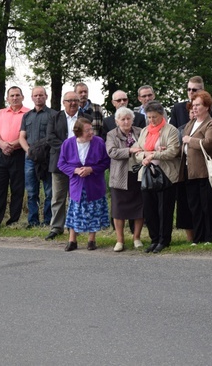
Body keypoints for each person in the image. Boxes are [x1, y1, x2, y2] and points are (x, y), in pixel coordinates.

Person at [181, 90, 212, 244]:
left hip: (209, 171)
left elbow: (209, 144)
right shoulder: (191, 123)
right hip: (192, 171)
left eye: (198, 105)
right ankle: (198, 238)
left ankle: (211, 237)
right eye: (193, 105)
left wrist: (190, 140)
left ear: (207, 107)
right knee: (195, 206)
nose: (194, 108)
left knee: (210, 205)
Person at [45, 92, 92, 240]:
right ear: (63, 102)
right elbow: (50, 138)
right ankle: (56, 227)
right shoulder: (54, 117)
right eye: (69, 100)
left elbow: (90, 137)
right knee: (58, 197)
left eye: (75, 100)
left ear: (79, 102)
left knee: (76, 197)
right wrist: (69, 149)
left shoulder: (86, 118)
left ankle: (75, 227)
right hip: (60, 163)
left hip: (80, 164)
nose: (72, 103)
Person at [135, 101, 180, 253]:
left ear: (162, 115)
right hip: (147, 174)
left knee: (164, 209)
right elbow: (137, 152)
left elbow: (172, 151)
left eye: (154, 117)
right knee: (149, 209)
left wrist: (153, 154)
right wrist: (146, 156)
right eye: (149, 117)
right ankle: (154, 239)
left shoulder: (171, 130)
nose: (151, 120)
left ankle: (164, 240)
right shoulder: (144, 131)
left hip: (166, 175)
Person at [59, 118, 111, 251]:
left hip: (94, 183)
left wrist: (91, 169)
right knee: (75, 210)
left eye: (91, 129)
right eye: (87, 130)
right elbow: (61, 164)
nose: (91, 132)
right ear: (78, 132)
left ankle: (91, 240)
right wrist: (75, 170)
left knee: (94, 210)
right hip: (77, 184)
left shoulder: (99, 142)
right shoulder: (68, 143)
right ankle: (72, 240)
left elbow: (106, 162)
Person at [0, 86, 29, 230]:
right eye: (12, 95)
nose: (15, 98)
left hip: (19, 153)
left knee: (17, 189)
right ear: (7, 98)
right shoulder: (2, 112)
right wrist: (2, 144)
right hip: (0, 153)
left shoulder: (28, 113)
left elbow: (28, 134)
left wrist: (12, 144)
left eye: (17, 95)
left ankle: (13, 221)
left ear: (22, 97)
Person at [105, 107, 144, 251]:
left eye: (128, 118)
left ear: (132, 120)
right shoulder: (111, 134)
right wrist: (130, 150)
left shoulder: (140, 132)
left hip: (138, 174)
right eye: (123, 119)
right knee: (118, 209)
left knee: (140, 207)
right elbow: (111, 152)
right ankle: (120, 240)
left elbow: (147, 146)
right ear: (117, 121)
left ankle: (137, 238)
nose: (126, 121)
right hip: (120, 176)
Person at [19, 86, 53, 227]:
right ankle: (33, 221)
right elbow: (21, 137)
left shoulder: (54, 115)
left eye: (41, 95)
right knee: (32, 191)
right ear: (32, 98)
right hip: (30, 159)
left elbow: (55, 136)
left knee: (49, 192)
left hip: (47, 158)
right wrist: (28, 151)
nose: (38, 97)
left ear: (46, 96)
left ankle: (48, 220)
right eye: (36, 95)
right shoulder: (27, 116)